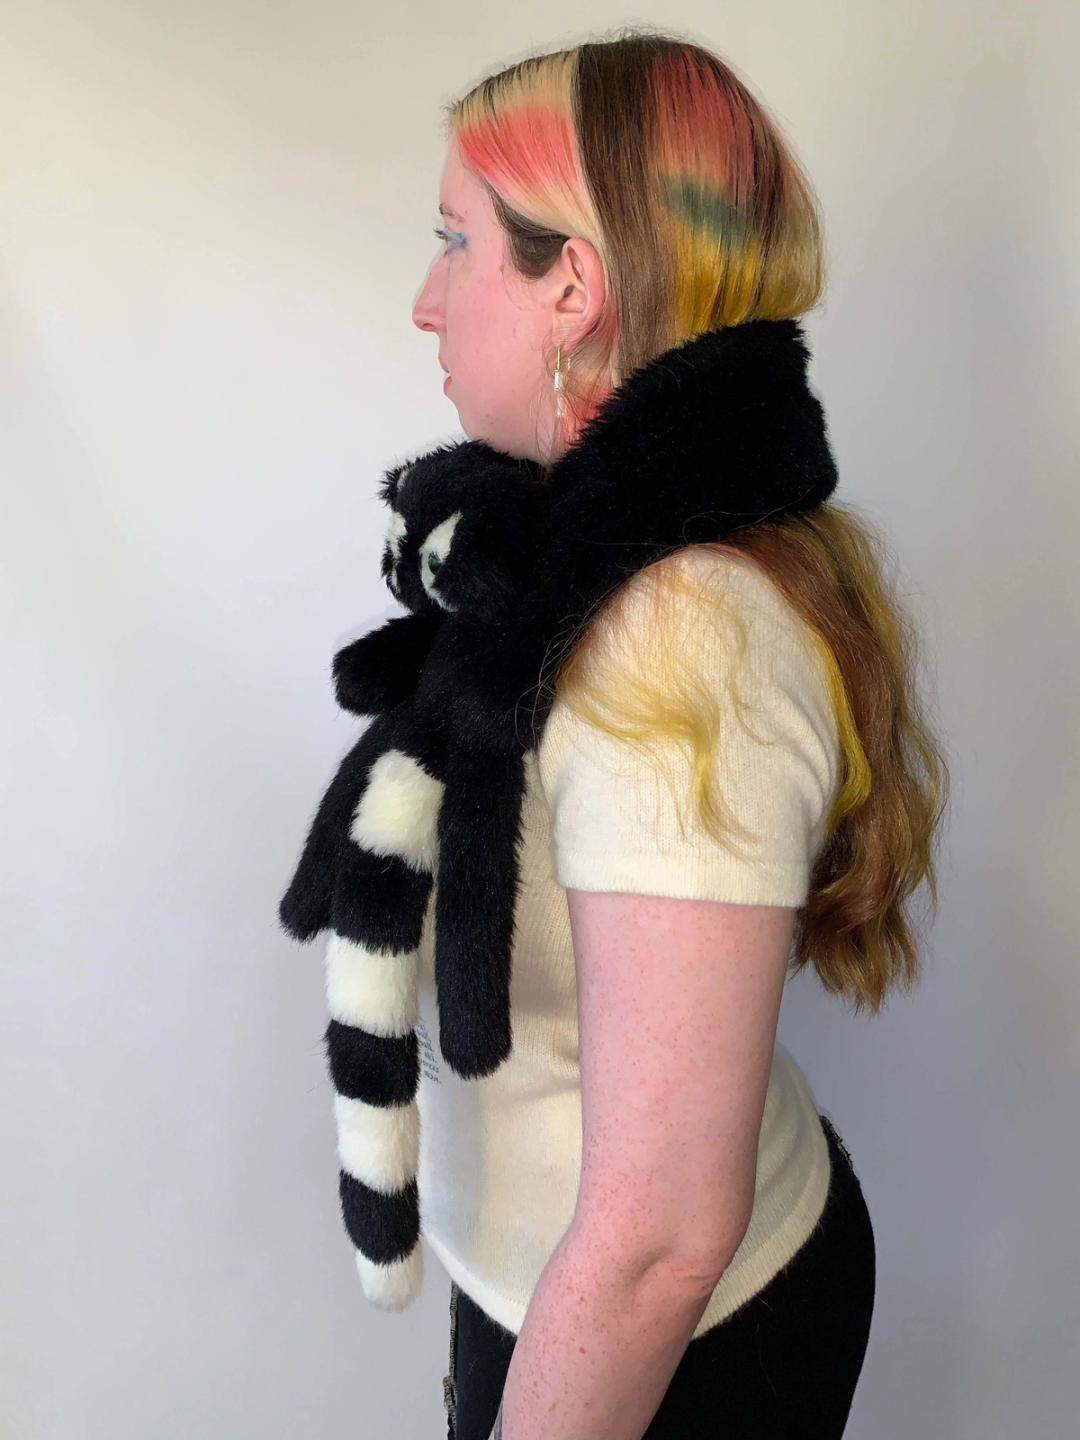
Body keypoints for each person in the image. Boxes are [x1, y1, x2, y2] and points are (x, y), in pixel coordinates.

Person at [407, 27, 949, 1440]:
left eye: (456, 243)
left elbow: (656, 1241)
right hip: (566, 1297)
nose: (425, 302)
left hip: (673, 1347)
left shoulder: (675, 633)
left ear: (573, 287)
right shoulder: (591, 560)